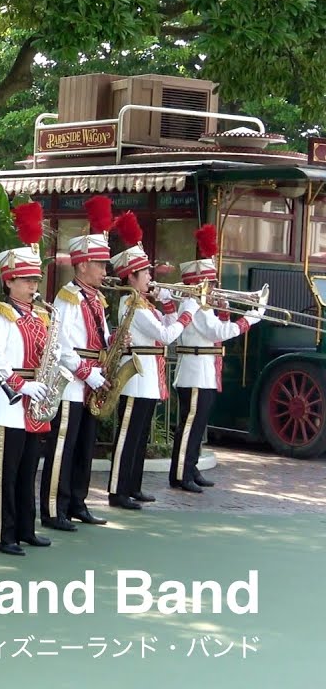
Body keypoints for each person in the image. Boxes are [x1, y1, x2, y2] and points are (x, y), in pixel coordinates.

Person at [0, 202, 52, 556]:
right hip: (7, 403)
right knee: (5, 475)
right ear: (9, 281)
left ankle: (25, 528)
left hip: (34, 403)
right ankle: (2, 534)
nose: (33, 285)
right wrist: (22, 385)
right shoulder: (1, 313)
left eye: (35, 280)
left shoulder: (41, 315)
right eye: (26, 280)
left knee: (27, 471)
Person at [107, 211, 194, 510]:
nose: (150, 277)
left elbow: (165, 325)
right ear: (131, 276)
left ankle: (133, 486)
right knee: (128, 437)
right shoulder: (132, 304)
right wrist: (187, 313)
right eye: (145, 273)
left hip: (148, 377)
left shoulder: (145, 303)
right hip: (136, 377)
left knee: (140, 435)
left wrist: (169, 304)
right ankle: (118, 490)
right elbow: (166, 335)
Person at [170, 225, 263, 491]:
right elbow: (218, 332)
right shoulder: (195, 306)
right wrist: (251, 318)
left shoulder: (205, 307)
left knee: (198, 426)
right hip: (194, 374)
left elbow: (216, 331)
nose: (214, 288)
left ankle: (191, 467)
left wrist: (224, 311)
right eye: (210, 284)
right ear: (199, 284)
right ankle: (181, 474)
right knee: (190, 426)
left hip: (204, 372)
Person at [42, 195, 114, 531]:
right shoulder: (68, 297)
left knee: (85, 446)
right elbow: (61, 345)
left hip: (94, 380)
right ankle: (53, 509)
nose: (104, 271)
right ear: (82, 265)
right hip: (73, 383)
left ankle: (77, 503)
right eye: (100, 264)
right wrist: (87, 373)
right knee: (63, 448)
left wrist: (115, 345)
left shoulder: (97, 299)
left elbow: (102, 337)